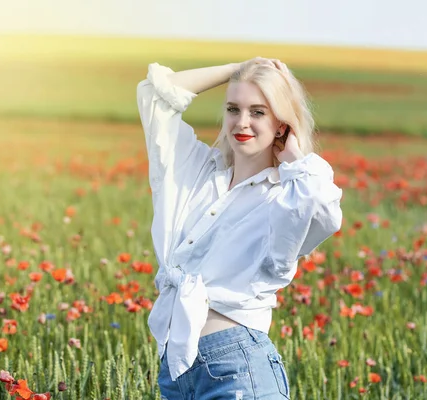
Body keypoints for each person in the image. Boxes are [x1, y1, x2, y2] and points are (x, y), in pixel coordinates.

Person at [136, 57, 343, 399]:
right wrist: (237, 68)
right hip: (175, 371)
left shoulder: (285, 198)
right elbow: (155, 95)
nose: (241, 122)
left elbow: (324, 210)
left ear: (282, 125)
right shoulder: (197, 171)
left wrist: (293, 159)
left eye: (259, 112)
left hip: (239, 371)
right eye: (233, 108)